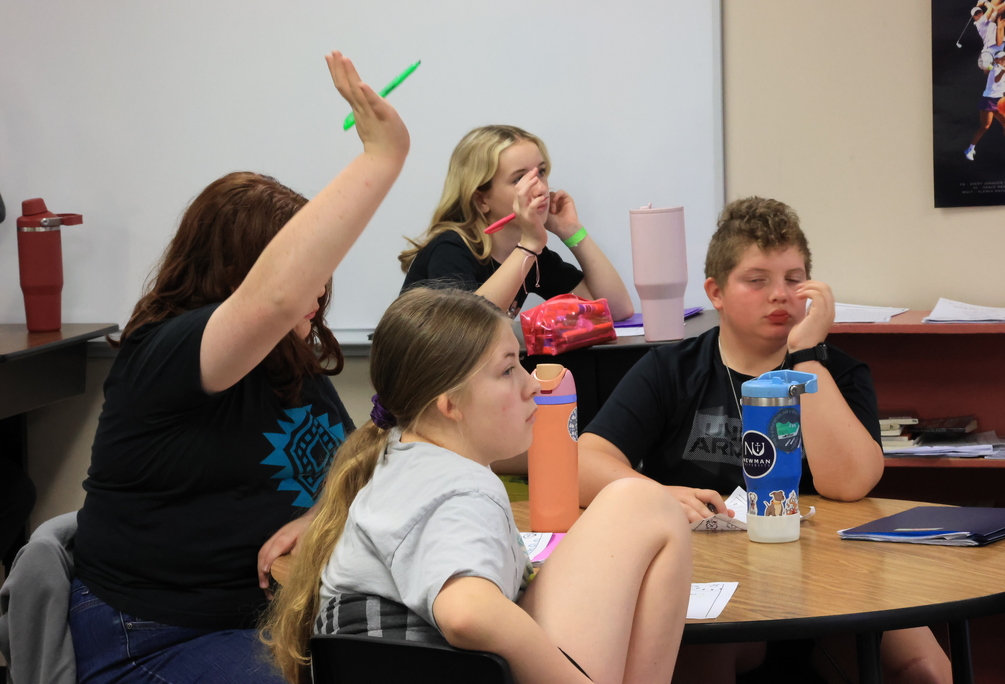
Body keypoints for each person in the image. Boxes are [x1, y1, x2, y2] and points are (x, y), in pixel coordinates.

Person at [68, 52, 410, 683]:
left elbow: (357, 461)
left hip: (280, 617)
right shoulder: (165, 355)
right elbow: (276, 297)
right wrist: (381, 158)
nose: (316, 294)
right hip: (156, 635)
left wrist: (318, 516)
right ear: (237, 275)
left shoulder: (289, 359)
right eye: (307, 273)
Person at [576, 197, 951, 683]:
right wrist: (654, 494)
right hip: (712, 576)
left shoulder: (838, 371)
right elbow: (584, 462)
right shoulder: (670, 370)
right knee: (705, 656)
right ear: (716, 292)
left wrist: (806, 355)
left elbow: (852, 483)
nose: (781, 295)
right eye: (757, 281)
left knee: (926, 667)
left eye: (795, 280)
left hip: (830, 573)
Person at [262, 287, 692, 684]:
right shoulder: (458, 486)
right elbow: (466, 612)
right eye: (508, 371)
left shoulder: (401, 457)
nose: (532, 385)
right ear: (449, 405)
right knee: (644, 504)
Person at [399, 125, 634, 320]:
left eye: (541, 172)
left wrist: (571, 232)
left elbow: (616, 311)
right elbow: (468, 332)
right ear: (481, 199)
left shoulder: (533, 258)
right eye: (520, 179)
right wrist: (529, 246)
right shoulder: (450, 249)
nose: (541, 188)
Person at [964, 51, 1005, 162]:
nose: (1004, 60)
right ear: (996, 60)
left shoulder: (1003, 69)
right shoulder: (994, 69)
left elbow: (1003, 85)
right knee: (985, 126)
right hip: (988, 100)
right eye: (1001, 58)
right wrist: (1004, 72)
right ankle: (970, 149)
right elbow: (996, 79)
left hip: (999, 101)